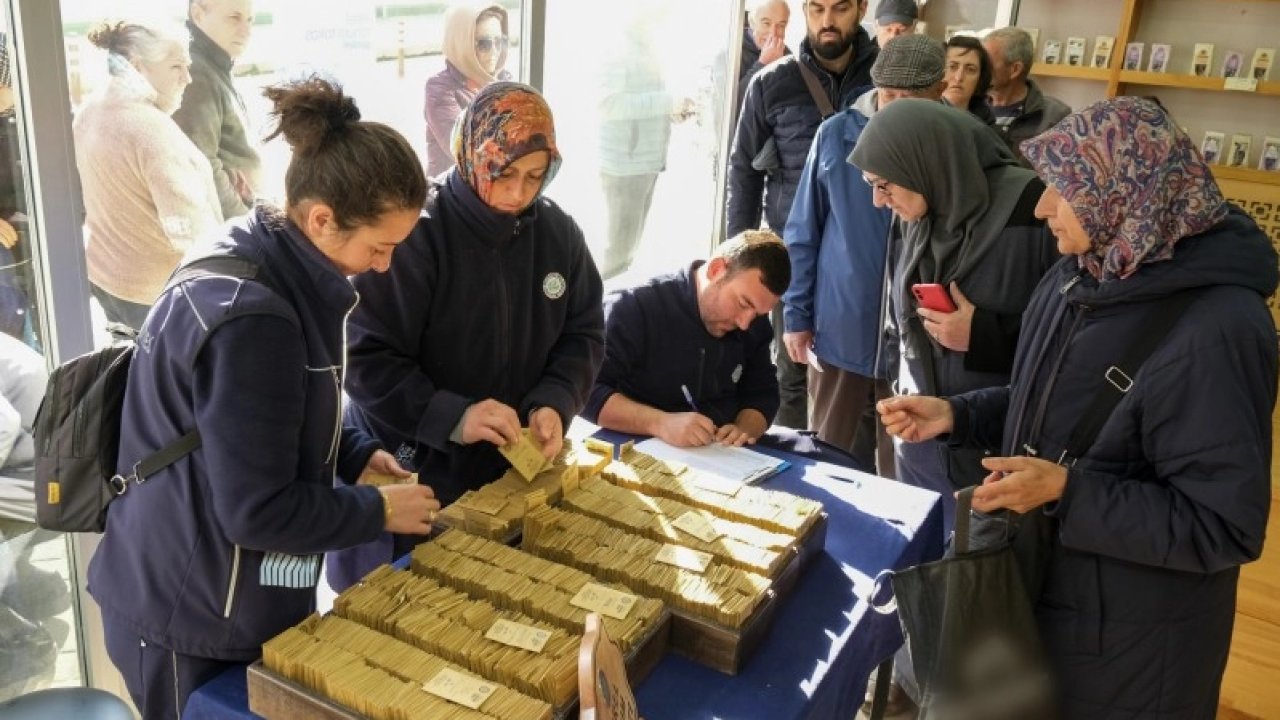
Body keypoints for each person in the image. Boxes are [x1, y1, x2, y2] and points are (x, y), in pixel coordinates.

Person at [878, 96, 1277, 718]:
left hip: (1133, 649)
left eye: (1061, 189)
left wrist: (1068, 492)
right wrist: (961, 413)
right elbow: (1057, 403)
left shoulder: (1220, 329)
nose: (1040, 208)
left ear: (1122, 190)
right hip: (1052, 605)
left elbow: (1222, 526)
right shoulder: (1084, 272)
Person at [86, 77, 438, 720]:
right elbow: (258, 511)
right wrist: (376, 512)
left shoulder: (268, 254)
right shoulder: (256, 321)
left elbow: (278, 418)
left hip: (235, 587)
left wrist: (353, 450)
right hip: (188, 610)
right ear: (322, 218)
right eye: (379, 247)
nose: (385, 267)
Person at [336, 82, 605, 591]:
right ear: (472, 156)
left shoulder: (558, 235)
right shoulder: (416, 232)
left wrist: (556, 400)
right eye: (503, 174)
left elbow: (584, 333)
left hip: (510, 476)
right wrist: (453, 415)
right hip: (416, 473)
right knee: (404, 612)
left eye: (535, 176)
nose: (518, 193)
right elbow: (365, 358)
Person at [849, 98, 1058, 530]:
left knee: (980, 583)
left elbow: (1071, 340)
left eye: (883, 184)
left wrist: (983, 334)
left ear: (925, 161)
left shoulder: (1035, 208)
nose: (876, 200)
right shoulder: (916, 209)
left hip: (1000, 452)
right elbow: (896, 314)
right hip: (921, 445)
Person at [790, 33, 943, 475]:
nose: (895, 107)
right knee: (824, 457)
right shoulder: (836, 135)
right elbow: (804, 232)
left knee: (904, 468)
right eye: (888, 94)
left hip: (920, 340)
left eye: (911, 97)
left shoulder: (950, 142)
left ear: (938, 92)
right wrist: (797, 317)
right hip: (841, 326)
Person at [728, 0, 878, 430]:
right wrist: (740, 254)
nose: (827, 21)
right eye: (816, 9)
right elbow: (742, 172)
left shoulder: (886, 81)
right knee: (787, 370)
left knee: (861, 381)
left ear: (862, 8)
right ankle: (792, 475)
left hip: (861, 260)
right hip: (788, 251)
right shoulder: (772, 82)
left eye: (840, 8)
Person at [74, 20, 223, 332]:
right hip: (155, 293)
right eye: (175, 66)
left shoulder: (90, 110)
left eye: (188, 65)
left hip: (105, 278)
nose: (188, 78)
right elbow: (190, 231)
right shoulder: (152, 131)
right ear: (138, 66)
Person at [583, 230, 787, 447]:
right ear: (716, 269)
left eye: (757, 313)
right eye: (744, 303)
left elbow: (762, 392)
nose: (745, 323)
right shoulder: (635, 306)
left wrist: (745, 429)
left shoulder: (753, 323)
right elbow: (585, 391)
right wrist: (659, 423)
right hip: (639, 446)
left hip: (724, 453)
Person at [595, 13, 695, 280]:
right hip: (625, 167)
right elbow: (607, 104)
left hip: (643, 164)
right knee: (616, 256)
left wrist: (673, 112)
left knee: (626, 253)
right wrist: (666, 103)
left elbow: (644, 103)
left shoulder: (646, 44)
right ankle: (598, 316)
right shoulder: (619, 45)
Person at [173, 0, 261, 219]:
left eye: (250, 19)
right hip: (232, 228)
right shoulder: (196, 75)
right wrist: (245, 224)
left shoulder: (215, 67)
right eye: (234, 17)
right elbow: (203, 167)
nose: (247, 30)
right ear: (198, 14)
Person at [423, 1, 511, 178]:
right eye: (484, 44)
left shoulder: (504, 82)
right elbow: (465, 152)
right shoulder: (440, 89)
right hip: (451, 196)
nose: (495, 51)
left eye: (499, 41)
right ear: (462, 44)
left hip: (496, 190)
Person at [982, 26, 1071, 166]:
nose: (979, 69)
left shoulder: (1055, 118)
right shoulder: (968, 105)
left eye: (986, 64)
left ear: (1015, 70)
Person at [942, 35, 994, 125]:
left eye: (970, 70)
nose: (958, 77)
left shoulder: (990, 130)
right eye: (952, 67)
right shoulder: (917, 116)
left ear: (980, 78)